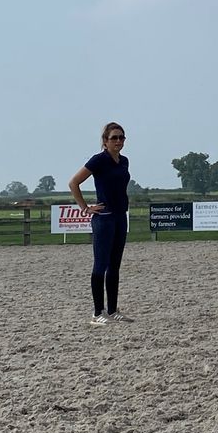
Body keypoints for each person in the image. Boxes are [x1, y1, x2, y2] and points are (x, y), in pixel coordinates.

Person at [69, 122, 135, 326]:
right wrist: (85, 207)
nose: (118, 141)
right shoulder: (99, 160)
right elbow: (74, 183)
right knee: (101, 264)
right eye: (114, 138)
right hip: (104, 218)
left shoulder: (124, 161)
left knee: (115, 265)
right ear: (105, 141)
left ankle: (113, 310)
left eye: (121, 137)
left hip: (120, 217)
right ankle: (98, 312)